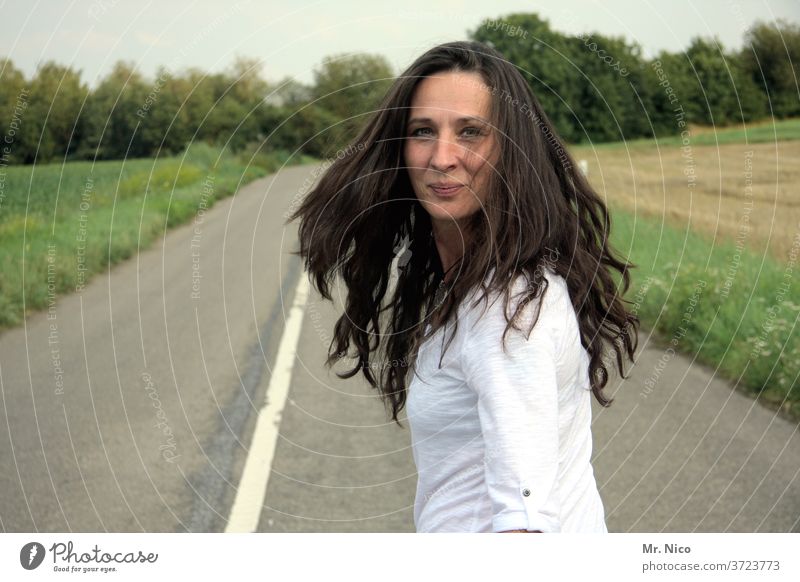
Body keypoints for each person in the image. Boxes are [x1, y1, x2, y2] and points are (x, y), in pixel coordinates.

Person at [286, 40, 639, 533]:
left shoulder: (508, 309)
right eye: (422, 131)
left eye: (471, 132)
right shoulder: (474, 285)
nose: (442, 157)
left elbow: (526, 520)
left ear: (511, 150)